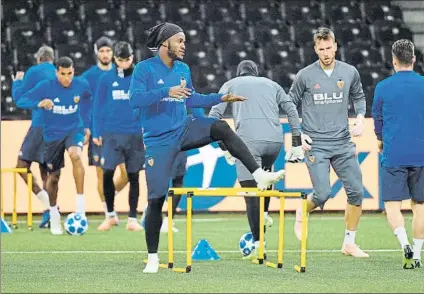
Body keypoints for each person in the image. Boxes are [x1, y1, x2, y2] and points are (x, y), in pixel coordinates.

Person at [129, 22, 286, 273]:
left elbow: (192, 98)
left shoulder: (182, 68)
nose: (184, 45)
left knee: (219, 126)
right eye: (179, 41)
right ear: (164, 43)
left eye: (184, 41)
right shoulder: (143, 69)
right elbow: (135, 99)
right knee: (157, 198)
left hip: (183, 129)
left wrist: (219, 98)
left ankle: (259, 174)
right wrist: (165, 91)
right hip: (158, 140)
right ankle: (152, 257)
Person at [209, 60, 303, 259]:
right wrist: (296, 142)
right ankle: (266, 214)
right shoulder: (272, 84)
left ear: (239, 73)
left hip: (249, 143)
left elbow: (213, 117)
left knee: (251, 195)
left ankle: (258, 247)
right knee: (265, 180)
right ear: (256, 73)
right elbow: (292, 110)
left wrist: (225, 148)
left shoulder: (231, 84)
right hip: (275, 143)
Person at [288, 27, 369, 258]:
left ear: (335, 46)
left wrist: (361, 119)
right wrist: (297, 134)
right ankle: (302, 210)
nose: (325, 53)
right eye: (321, 49)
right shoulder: (305, 75)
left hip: (343, 142)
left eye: (328, 48)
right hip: (316, 144)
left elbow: (359, 97)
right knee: (322, 194)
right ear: (315, 49)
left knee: (356, 193)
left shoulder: (350, 72)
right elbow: (290, 104)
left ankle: (349, 243)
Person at [17, 57, 91, 235]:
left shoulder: (81, 85)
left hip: (74, 130)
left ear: (74, 71)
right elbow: (21, 100)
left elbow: (88, 101)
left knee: (75, 155)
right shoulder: (45, 86)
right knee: (54, 177)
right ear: (57, 72)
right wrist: (38, 103)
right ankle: (53, 214)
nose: (67, 78)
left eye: (70, 74)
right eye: (63, 74)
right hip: (52, 135)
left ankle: (80, 208)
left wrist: (87, 125)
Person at [372, 39, 423, 269]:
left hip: (394, 154)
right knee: (420, 205)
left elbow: (378, 120)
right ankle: (418, 254)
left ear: (393, 61)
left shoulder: (382, 87)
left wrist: (381, 140)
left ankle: (404, 245)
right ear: (413, 59)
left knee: (392, 204)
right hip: (421, 154)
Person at [92, 42, 144, 232]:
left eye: (127, 60)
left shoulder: (141, 78)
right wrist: (96, 132)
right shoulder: (106, 79)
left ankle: (132, 218)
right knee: (107, 173)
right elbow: (98, 107)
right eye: (120, 60)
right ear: (115, 59)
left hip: (135, 133)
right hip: (111, 134)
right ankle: (110, 215)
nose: (124, 63)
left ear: (133, 58)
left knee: (133, 175)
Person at [81, 36, 128, 220]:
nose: (105, 54)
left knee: (126, 174)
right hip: (98, 132)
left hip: (121, 131)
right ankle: (109, 213)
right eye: (102, 51)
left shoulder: (122, 74)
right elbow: (82, 105)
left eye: (108, 51)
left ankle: (109, 197)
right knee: (102, 174)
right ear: (96, 52)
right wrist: (86, 127)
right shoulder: (87, 77)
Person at [11, 46, 56, 228]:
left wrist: (17, 83)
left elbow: (20, 99)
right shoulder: (58, 72)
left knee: (22, 167)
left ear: (39, 59)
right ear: (53, 59)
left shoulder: (34, 71)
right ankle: (50, 212)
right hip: (56, 128)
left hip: (39, 126)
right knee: (46, 171)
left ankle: (49, 207)